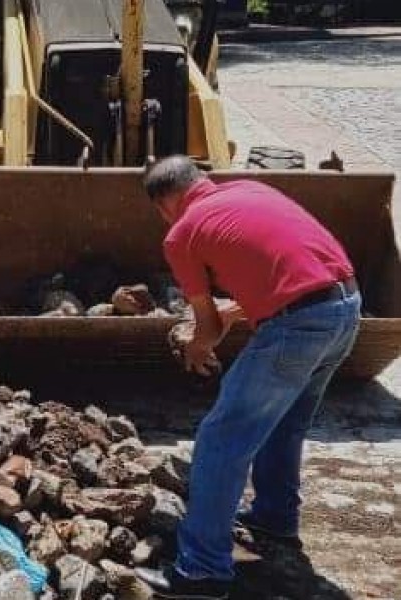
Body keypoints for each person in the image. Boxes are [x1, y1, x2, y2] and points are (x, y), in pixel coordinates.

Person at [135, 156, 361, 599]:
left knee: (221, 439)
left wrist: (195, 346)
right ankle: (275, 519)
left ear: (165, 205)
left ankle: (201, 571)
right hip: (346, 308)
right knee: (284, 423)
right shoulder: (252, 191)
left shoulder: (182, 234)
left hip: (298, 327)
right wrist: (232, 311)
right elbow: (294, 275)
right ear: (202, 180)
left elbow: (207, 330)